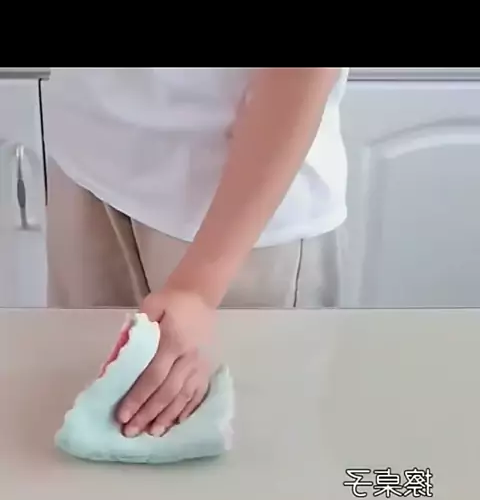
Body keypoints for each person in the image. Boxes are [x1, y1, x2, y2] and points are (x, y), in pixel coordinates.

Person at [43, 67, 349, 438]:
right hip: (86, 166)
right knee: (84, 438)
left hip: (235, 220)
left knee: (257, 446)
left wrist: (198, 290)